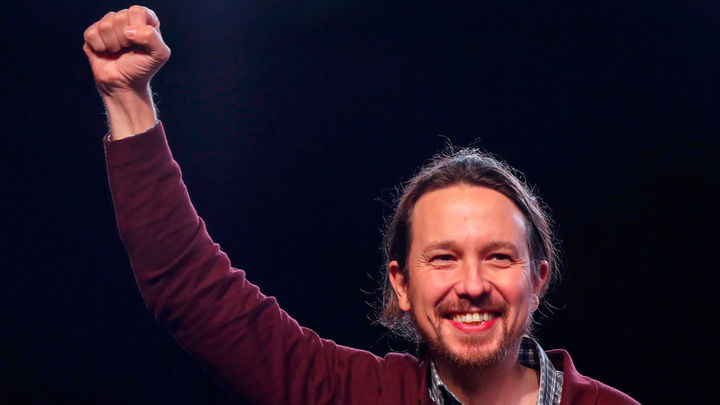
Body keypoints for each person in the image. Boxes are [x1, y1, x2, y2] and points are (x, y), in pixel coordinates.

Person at [83, 6, 640, 405]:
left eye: (498, 257)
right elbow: (187, 287)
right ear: (401, 284)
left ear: (537, 279)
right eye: (443, 258)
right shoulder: (350, 393)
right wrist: (127, 99)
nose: (472, 285)